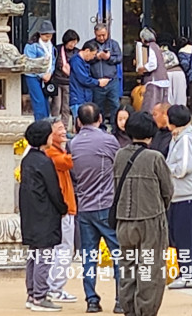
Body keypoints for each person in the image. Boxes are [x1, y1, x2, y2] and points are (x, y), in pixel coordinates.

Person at [113, 112, 173, 316]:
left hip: (124, 219)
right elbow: (168, 191)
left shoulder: (119, 155)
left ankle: (128, 308)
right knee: (150, 268)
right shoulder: (155, 157)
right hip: (150, 219)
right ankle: (145, 311)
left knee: (127, 267)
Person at [68, 103, 123, 314]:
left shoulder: (73, 144)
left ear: (78, 121)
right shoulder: (109, 140)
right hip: (106, 204)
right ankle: (120, 299)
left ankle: (91, 299)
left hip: (84, 206)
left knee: (88, 256)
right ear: (100, 119)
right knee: (118, 254)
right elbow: (118, 165)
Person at [20, 120, 68, 312]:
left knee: (34, 255)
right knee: (44, 256)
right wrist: (63, 208)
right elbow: (54, 190)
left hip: (30, 214)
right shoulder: (44, 161)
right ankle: (40, 296)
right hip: (44, 214)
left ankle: (32, 293)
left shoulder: (27, 159)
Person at [165, 105, 192, 289]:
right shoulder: (178, 137)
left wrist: (166, 169)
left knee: (184, 238)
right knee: (178, 236)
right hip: (179, 195)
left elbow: (184, 168)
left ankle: (188, 274)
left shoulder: (186, 139)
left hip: (187, 195)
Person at [44, 118, 77, 304]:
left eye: (64, 127)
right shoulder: (52, 153)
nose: (64, 131)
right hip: (62, 209)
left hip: (63, 208)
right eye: (59, 129)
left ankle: (52, 287)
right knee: (63, 249)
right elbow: (68, 162)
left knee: (60, 249)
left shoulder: (57, 151)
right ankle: (55, 288)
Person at [88, 23, 123, 129]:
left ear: (107, 33)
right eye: (99, 35)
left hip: (112, 80)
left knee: (115, 104)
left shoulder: (113, 44)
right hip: (97, 81)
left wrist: (109, 58)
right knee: (98, 106)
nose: (102, 38)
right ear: (95, 33)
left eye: (104, 35)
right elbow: (85, 59)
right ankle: (100, 128)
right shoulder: (90, 44)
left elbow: (119, 58)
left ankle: (115, 128)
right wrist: (96, 57)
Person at [70, 40, 110, 125]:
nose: (93, 57)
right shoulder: (76, 61)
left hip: (85, 97)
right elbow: (84, 79)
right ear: (87, 51)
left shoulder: (83, 61)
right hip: (78, 97)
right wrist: (98, 82)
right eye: (93, 54)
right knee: (79, 124)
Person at [24, 21, 58, 121]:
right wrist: (42, 74)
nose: (48, 38)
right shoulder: (31, 46)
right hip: (33, 76)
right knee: (39, 102)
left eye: (50, 36)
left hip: (47, 75)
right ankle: (40, 124)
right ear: (40, 34)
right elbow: (30, 62)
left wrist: (49, 73)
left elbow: (53, 61)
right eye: (46, 36)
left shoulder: (50, 46)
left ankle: (47, 122)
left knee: (46, 101)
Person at [52, 29, 80, 130]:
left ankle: (64, 127)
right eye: (71, 42)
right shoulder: (57, 49)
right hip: (57, 81)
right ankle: (54, 126)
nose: (73, 45)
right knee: (56, 105)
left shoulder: (77, 52)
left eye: (75, 43)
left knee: (66, 107)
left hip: (69, 83)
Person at [137, 28, 170, 113]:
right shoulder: (157, 46)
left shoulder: (151, 47)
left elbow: (153, 64)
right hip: (163, 79)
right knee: (162, 105)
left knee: (151, 106)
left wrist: (143, 68)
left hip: (155, 80)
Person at [159, 34, 187, 106]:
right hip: (179, 73)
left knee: (168, 100)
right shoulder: (176, 51)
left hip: (167, 74)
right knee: (180, 99)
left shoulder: (158, 51)